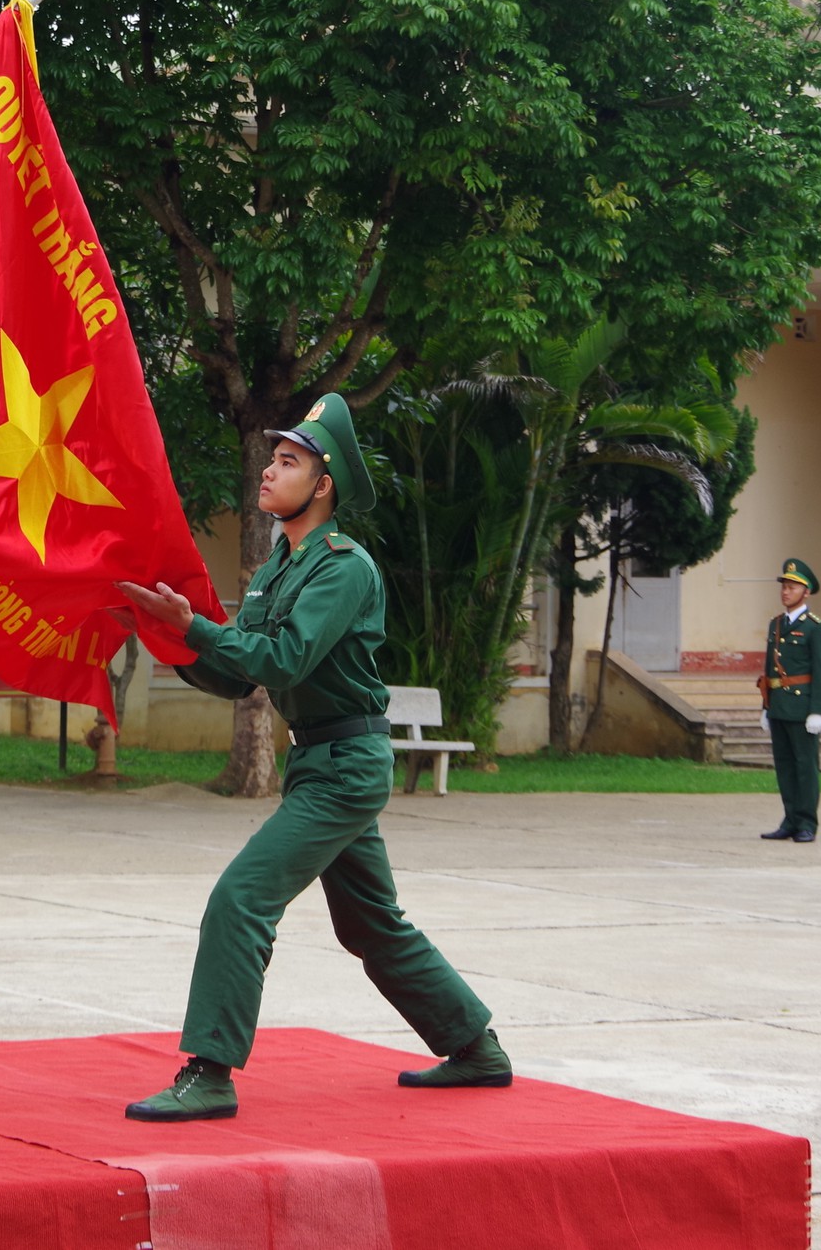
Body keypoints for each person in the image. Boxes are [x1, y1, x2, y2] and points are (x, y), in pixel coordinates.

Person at [114, 394, 506, 1122]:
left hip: (348, 764)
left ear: (323, 485)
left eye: (287, 461)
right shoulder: (278, 569)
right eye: (271, 457)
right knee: (369, 923)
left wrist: (197, 626)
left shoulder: (342, 568)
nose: (268, 470)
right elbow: (240, 675)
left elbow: (286, 659)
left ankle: (210, 1072)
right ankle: (475, 1047)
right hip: (319, 764)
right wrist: (165, 632)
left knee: (242, 898)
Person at [757, 560, 821, 843]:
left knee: (805, 766)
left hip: (803, 708)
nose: (785, 592)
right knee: (785, 766)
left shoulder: (815, 628)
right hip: (779, 706)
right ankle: (790, 820)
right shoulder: (775, 624)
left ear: (806, 592)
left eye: (792, 588)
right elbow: (768, 670)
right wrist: (766, 707)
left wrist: (818, 712)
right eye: (784, 587)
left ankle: (807, 823)